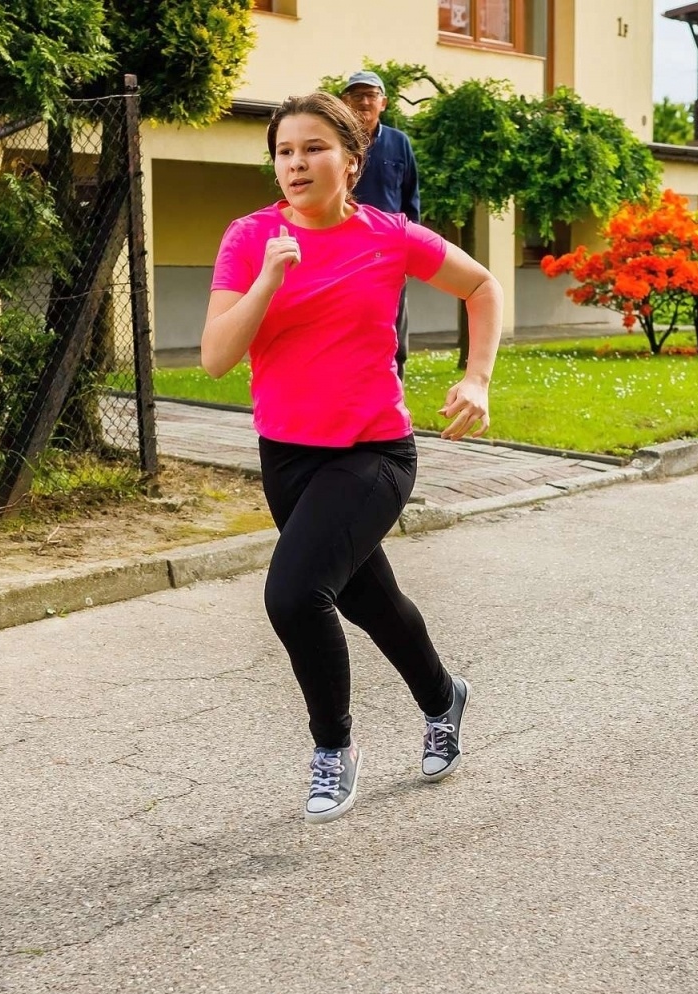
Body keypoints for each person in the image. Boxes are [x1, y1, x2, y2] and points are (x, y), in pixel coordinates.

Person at [200, 92, 502, 824]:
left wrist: (478, 377)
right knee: (370, 601)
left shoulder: (391, 236)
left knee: (294, 595)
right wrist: (270, 278)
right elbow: (214, 358)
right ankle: (443, 697)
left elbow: (481, 286)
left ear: (352, 160)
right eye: (284, 151)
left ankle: (333, 748)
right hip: (288, 457)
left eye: (314, 148)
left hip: (373, 453)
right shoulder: (249, 238)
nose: (297, 164)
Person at [340, 70, 420, 378]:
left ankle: (394, 386)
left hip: (389, 249)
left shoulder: (399, 144)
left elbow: (410, 199)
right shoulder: (337, 143)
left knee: (393, 325)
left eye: (370, 95)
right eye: (356, 95)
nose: (363, 102)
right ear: (344, 102)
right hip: (345, 246)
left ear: (383, 102)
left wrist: (411, 248)